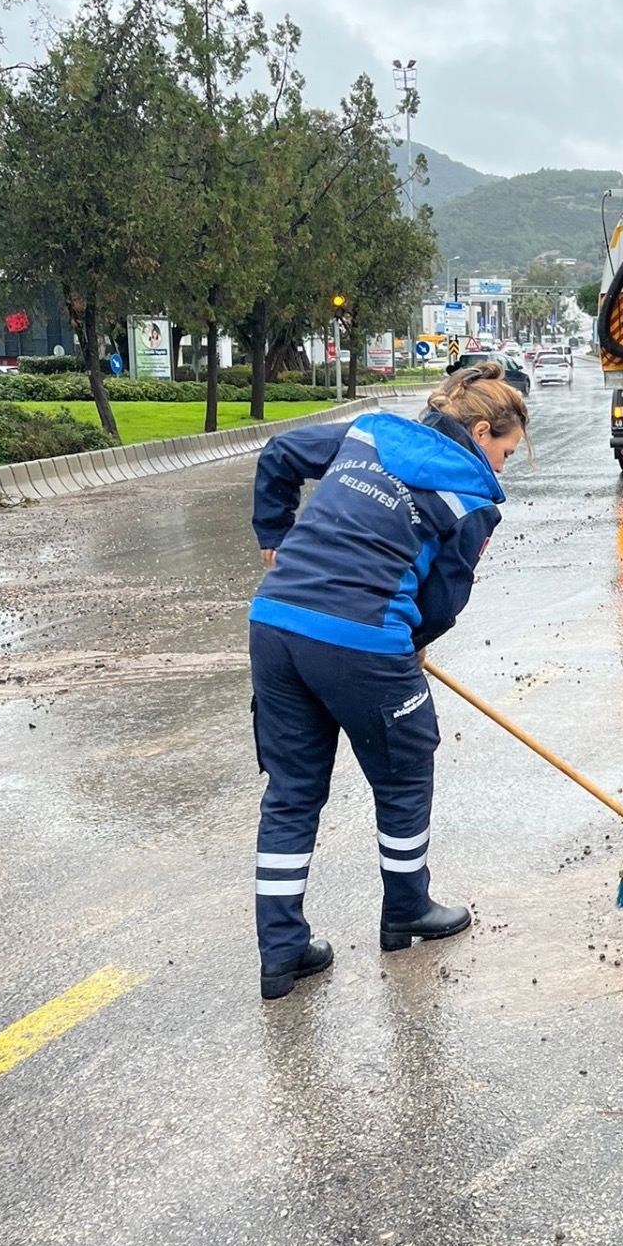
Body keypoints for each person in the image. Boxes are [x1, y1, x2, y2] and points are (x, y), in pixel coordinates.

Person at [247, 364, 527, 999]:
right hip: (362, 639)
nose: (503, 468)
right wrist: (413, 641)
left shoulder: (369, 433)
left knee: (290, 794)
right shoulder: (472, 500)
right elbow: (444, 599)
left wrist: (275, 536)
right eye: (505, 452)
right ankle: (406, 910)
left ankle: (282, 952)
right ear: (481, 431)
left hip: (275, 622)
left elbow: (281, 452)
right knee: (404, 771)